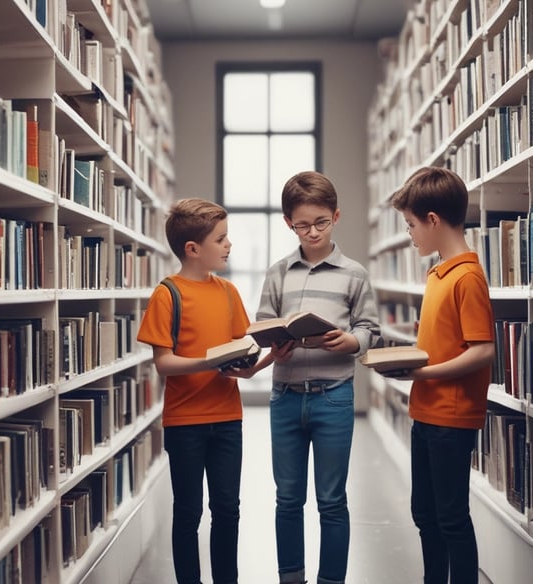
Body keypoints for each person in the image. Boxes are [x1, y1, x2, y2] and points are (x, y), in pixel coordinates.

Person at [255, 170, 381, 584]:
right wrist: (277, 345)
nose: (311, 232)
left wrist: (349, 342)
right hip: (285, 397)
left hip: (334, 398)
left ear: (336, 216)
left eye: (320, 223)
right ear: (289, 222)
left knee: (331, 500)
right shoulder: (277, 273)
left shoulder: (354, 274)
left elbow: (369, 329)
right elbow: (263, 324)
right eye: (302, 224)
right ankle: (290, 577)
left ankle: (331, 580)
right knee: (288, 499)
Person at [137, 198, 261, 584]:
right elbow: (164, 363)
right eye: (221, 239)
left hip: (227, 420)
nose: (228, 245)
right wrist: (208, 361)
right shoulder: (167, 294)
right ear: (193, 249)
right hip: (185, 423)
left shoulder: (228, 292)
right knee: (188, 512)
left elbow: (241, 364)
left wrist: (272, 356)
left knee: (228, 509)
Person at [389, 166, 495, 584]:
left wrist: (425, 371)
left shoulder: (467, 277)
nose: (410, 234)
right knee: (425, 513)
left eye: (412, 225)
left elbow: (483, 350)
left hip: (451, 416)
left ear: (432, 220)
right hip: (426, 412)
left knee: (451, 517)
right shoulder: (437, 274)